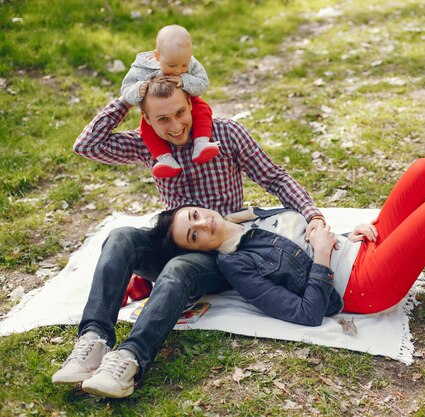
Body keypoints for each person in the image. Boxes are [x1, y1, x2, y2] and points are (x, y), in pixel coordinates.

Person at [51, 77, 326, 398]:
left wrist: (313, 215)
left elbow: (274, 177)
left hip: (218, 252)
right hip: (174, 238)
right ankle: (94, 339)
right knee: (121, 235)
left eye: (181, 112)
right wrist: (124, 101)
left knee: (181, 266)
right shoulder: (146, 142)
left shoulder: (226, 134)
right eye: (163, 118)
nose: (176, 125)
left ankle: (129, 359)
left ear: (192, 102)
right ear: (148, 119)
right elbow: (87, 146)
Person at [155, 158, 425, 327]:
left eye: (194, 216)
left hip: (360, 249)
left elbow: (303, 234)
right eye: (193, 236)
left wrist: (343, 235)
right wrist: (324, 254)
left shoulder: (248, 218)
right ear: (197, 249)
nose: (202, 225)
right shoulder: (236, 266)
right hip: (360, 285)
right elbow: (304, 313)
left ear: (198, 207)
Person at [121, 24, 218, 178]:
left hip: (185, 99)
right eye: (172, 65)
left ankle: (201, 143)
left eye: (184, 65)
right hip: (157, 109)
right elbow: (126, 89)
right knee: (146, 129)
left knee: (203, 110)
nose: (178, 70)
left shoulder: (189, 62)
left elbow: (203, 83)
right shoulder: (141, 67)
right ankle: (165, 159)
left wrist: (185, 79)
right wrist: (137, 89)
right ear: (157, 56)